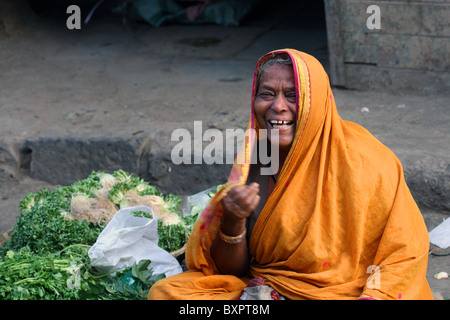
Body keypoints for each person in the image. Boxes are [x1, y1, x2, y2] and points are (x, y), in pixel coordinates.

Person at [148, 49, 433, 300]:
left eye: (294, 96)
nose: (278, 107)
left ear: (317, 102)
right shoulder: (256, 159)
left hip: (344, 292)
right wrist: (233, 221)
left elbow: (406, 250)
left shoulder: (365, 159)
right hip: (267, 288)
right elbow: (230, 270)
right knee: (167, 293)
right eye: (267, 94)